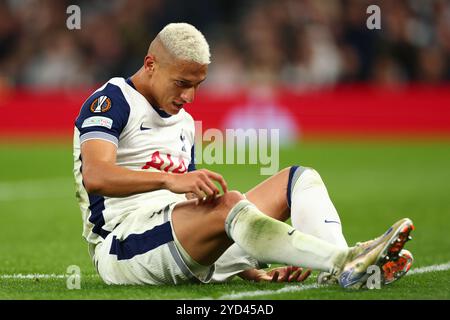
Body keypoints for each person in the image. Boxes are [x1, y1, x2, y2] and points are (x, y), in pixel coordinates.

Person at [73, 23, 414, 288]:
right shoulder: (111, 100)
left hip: (176, 238)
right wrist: (171, 178)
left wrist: (247, 270)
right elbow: (97, 176)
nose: (190, 96)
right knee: (229, 203)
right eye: (182, 83)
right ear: (151, 64)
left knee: (297, 179)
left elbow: (193, 209)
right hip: (124, 247)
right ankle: (343, 260)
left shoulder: (185, 122)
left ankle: (338, 268)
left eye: (197, 85)